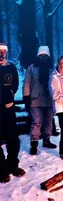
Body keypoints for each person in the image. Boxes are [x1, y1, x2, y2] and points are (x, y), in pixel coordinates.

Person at [23, 46, 57, 155]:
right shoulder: (31, 68)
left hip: (48, 99)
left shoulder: (52, 69)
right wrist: (26, 97)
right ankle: (34, 144)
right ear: (38, 56)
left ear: (48, 56)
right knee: (36, 122)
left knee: (48, 121)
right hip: (35, 99)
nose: (43, 57)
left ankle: (46, 140)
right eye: (41, 55)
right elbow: (27, 83)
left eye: (45, 55)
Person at [0, 43, 25, 183]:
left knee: (13, 139)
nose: (1, 54)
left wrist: (10, 96)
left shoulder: (10, 67)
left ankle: (12, 165)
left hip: (8, 108)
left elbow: (14, 85)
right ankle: (2, 170)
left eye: (3, 51)